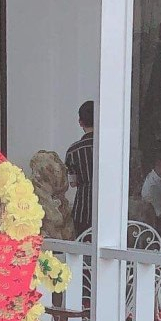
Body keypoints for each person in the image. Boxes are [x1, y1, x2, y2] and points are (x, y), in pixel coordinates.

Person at [66, 101, 95, 239]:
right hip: (107, 207)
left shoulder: (73, 151)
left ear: (80, 122)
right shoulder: (110, 147)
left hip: (82, 209)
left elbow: (72, 183)